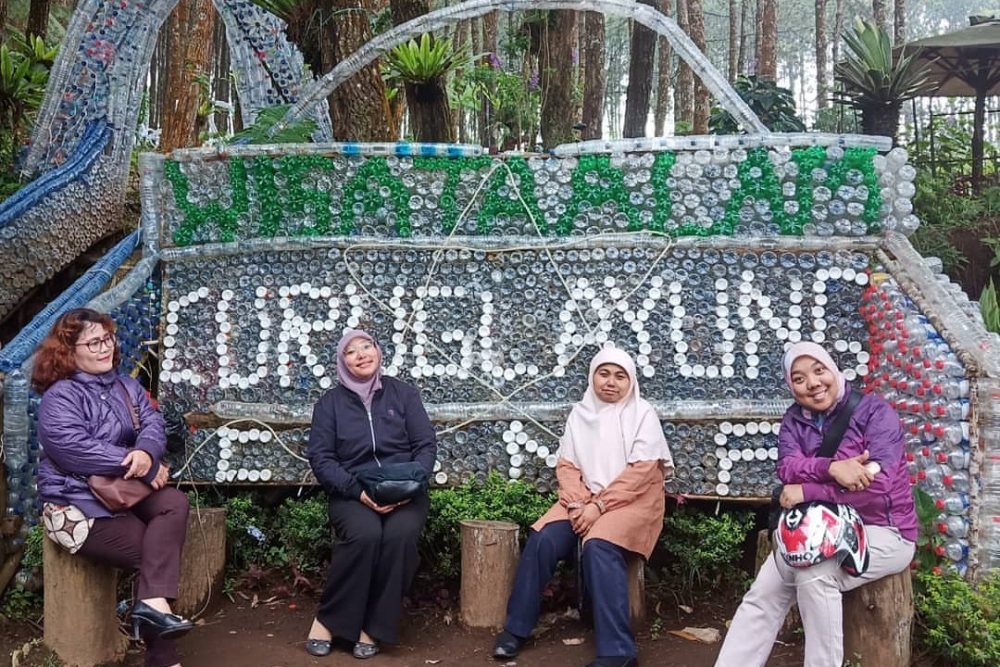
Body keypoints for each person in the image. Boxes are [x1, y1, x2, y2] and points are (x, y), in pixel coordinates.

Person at [714, 341, 918, 667]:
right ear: (791, 385)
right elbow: (787, 467)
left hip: (885, 531)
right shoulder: (795, 420)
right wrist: (833, 469)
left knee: (815, 570)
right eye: (799, 378)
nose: (813, 383)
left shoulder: (875, 413)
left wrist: (808, 492)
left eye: (819, 370)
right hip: (817, 528)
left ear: (833, 369)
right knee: (763, 593)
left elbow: (876, 485)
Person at [492, 347, 674, 667]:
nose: (611, 382)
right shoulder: (580, 413)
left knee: (599, 545)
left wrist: (599, 506)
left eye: (620, 376)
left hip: (634, 501)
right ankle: (515, 629)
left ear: (631, 381)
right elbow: (567, 466)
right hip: (584, 498)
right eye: (604, 374)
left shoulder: (642, 414)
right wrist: (578, 504)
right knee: (543, 539)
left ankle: (619, 652)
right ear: (592, 377)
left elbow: (642, 472)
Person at [33, 308, 192, 667]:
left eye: (108, 338)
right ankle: (164, 657)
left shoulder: (126, 384)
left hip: (124, 492)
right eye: (94, 342)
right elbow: (74, 448)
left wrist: (146, 453)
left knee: (174, 503)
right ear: (69, 351)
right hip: (75, 503)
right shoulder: (60, 397)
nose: (105, 348)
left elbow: (153, 424)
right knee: (150, 552)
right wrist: (137, 462)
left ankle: (151, 615)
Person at [305, 329, 437, 659]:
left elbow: (425, 445)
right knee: (363, 535)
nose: (362, 354)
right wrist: (356, 491)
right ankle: (330, 619)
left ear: (379, 352)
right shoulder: (329, 404)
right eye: (352, 351)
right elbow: (321, 457)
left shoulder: (403, 394)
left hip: (404, 490)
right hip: (352, 491)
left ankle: (374, 626)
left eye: (367, 346)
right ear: (342, 361)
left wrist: (413, 484)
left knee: (399, 536)